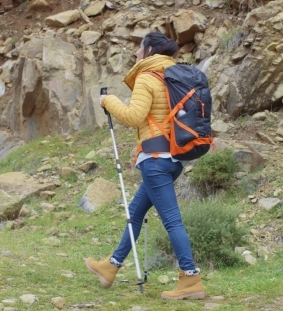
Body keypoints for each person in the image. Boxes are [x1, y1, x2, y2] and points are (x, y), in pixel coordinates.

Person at [84, 32, 205, 300]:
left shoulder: (147, 77)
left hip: (155, 162)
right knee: (135, 213)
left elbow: (134, 116)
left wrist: (109, 101)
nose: (136, 54)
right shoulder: (174, 77)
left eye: (139, 48)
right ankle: (111, 266)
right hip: (172, 160)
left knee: (172, 220)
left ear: (149, 50)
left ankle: (191, 278)